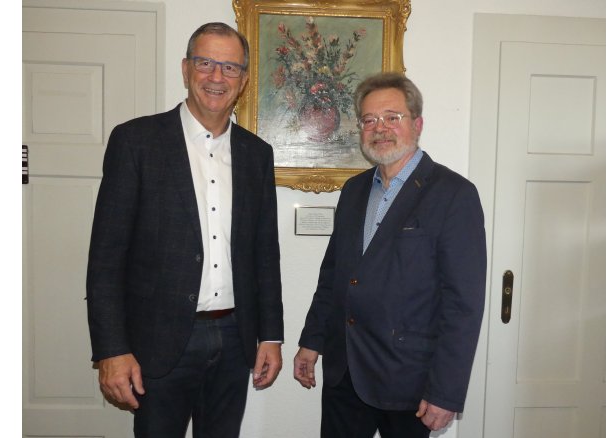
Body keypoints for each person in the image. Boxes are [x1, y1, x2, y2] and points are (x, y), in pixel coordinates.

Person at [86, 22, 283, 438]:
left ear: (244, 80)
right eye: (205, 63)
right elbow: (105, 258)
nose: (216, 77)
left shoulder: (257, 155)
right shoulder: (136, 142)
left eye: (230, 68)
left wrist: (271, 336)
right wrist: (112, 350)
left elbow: (265, 252)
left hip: (235, 338)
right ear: (185, 68)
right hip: (157, 340)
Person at [293, 72, 487, 437]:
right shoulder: (353, 191)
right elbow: (333, 276)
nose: (379, 128)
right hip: (344, 374)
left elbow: (463, 305)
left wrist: (446, 392)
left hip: (408, 382)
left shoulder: (454, 195)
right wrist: (311, 341)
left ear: (417, 124)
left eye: (392, 117)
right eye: (369, 120)